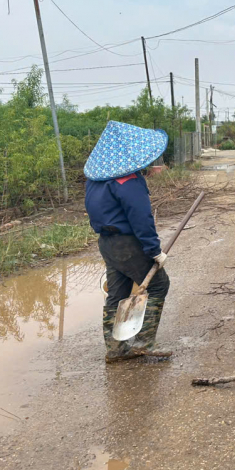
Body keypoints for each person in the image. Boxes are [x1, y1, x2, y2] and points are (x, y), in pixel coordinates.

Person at [84, 121, 171, 363]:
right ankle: (142, 344)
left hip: (107, 243)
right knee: (159, 285)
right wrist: (154, 250)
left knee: (117, 294)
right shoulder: (127, 181)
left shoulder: (96, 179)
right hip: (126, 244)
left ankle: (115, 349)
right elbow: (141, 217)